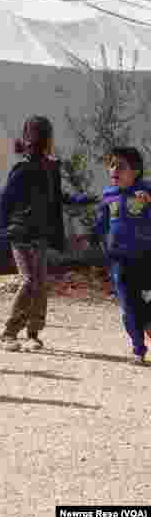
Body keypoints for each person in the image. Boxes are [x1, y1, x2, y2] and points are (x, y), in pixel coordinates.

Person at [0, 116, 89, 353]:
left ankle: (33, 333)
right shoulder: (23, 168)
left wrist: (81, 199)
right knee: (29, 280)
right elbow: (5, 200)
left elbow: (57, 197)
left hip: (40, 235)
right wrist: (2, 227)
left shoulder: (51, 167)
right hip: (21, 235)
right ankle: (9, 333)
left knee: (40, 284)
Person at [88, 147, 151, 365]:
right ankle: (138, 348)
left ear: (135, 171)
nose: (114, 169)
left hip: (146, 258)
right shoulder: (109, 195)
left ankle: (147, 321)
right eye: (112, 164)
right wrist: (92, 234)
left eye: (121, 165)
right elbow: (102, 221)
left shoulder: (146, 191)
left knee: (143, 304)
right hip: (120, 261)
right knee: (128, 305)